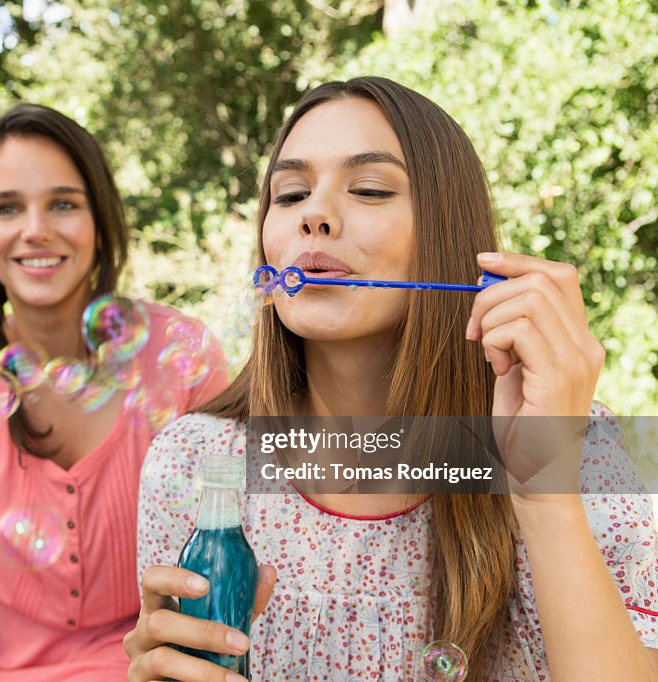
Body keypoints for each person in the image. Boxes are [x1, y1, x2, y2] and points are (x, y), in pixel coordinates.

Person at [124, 76, 658, 681]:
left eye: (370, 189)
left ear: (447, 236)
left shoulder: (574, 444)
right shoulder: (196, 460)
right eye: (292, 193)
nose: (315, 217)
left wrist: (544, 493)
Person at [0, 103, 229, 681]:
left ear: (99, 223)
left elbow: (231, 564)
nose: (36, 229)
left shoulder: (184, 359)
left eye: (63, 203)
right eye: (7, 208)